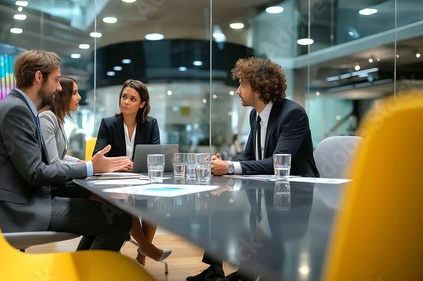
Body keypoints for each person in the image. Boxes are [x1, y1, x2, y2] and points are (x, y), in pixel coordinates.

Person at [0, 50, 133, 252]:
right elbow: (35, 173)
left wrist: (89, 170)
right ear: (39, 77)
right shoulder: (17, 111)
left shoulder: (17, 107)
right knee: (119, 219)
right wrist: (90, 167)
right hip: (18, 210)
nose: (59, 88)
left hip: (24, 201)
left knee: (109, 211)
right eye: (56, 80)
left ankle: (85, 270)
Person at [186, 57, 319, 281]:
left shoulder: (292, 114)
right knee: (219, 210)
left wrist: (228, 166)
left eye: (242, 85)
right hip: (267, 191)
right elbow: (249, 155)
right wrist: (224, 163)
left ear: (258, 88)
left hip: (292, 199)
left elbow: (278, 163)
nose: (238, 91)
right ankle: (216, 270)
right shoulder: (255, 115)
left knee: (229, 217)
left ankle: (248, 272)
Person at [93, 79, 172, 265]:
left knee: (153, 206)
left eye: (132, 99)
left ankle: (142, 256)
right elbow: (96, 155)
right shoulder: (108, 123)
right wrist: (120, 164)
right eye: (124, 97)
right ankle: (149, 250)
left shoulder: (151, 124)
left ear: (142, 104)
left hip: (141, 181)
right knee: (128, 202)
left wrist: (136, 164)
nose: (125, 102)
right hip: (116, 183)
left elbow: (155, 156)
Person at [37, 75, 83, 165]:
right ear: (63, 96)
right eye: (74, 93)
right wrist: (87, 167)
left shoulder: (57, 118)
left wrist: (82, 162)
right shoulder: (47, 117)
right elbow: (54, 162)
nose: (79, 97)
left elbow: (60, 156)